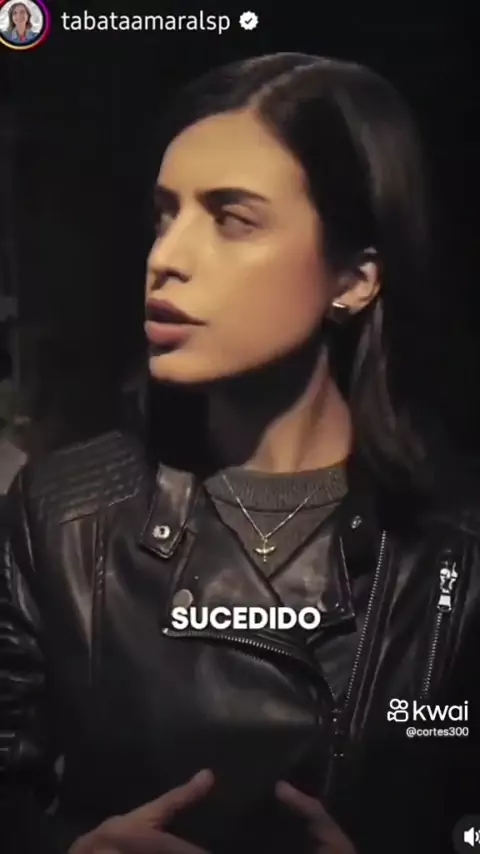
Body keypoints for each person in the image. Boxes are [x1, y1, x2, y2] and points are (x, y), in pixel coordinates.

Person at [1, 52, 479, 854]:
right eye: (165, 215)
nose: (167, 257)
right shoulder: (62, 518)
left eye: (231, 219)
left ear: (354, 278)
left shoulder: (456, 547)